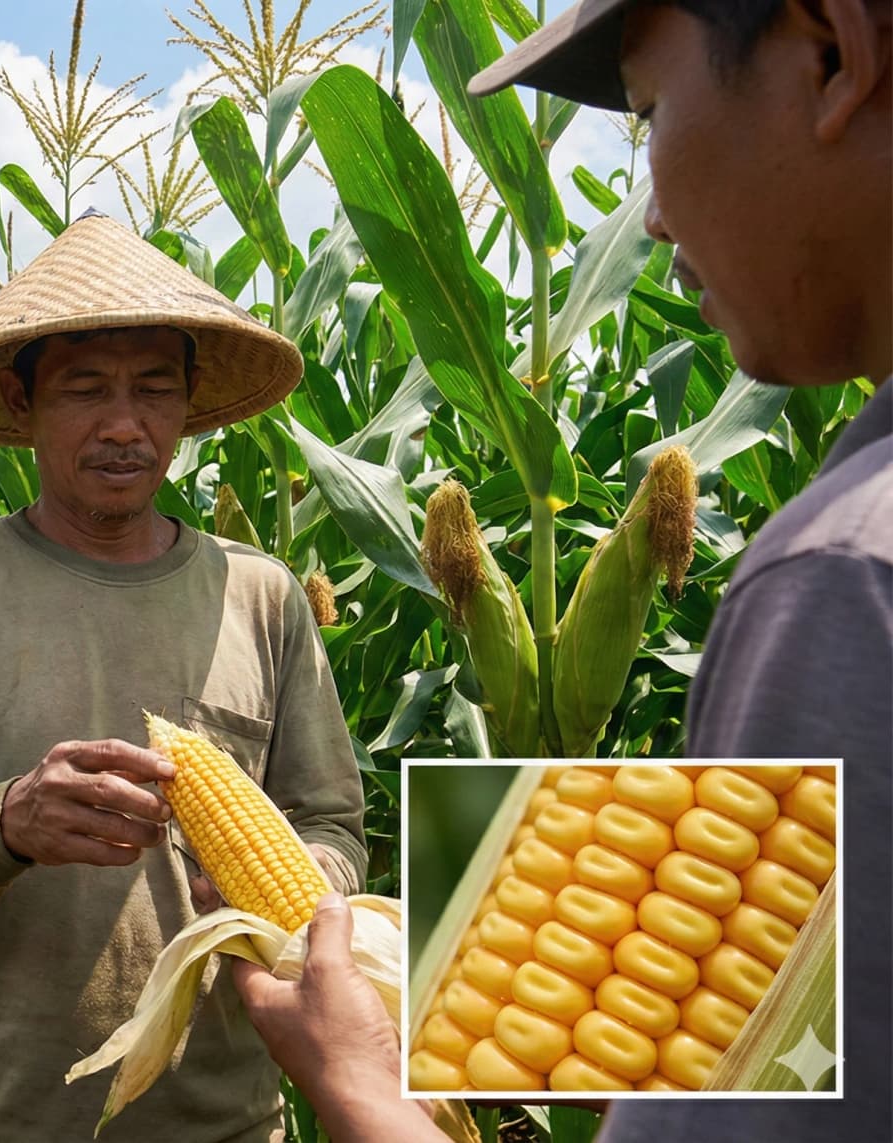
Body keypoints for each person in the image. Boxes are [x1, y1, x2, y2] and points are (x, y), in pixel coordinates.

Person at [236, 0, 891, 1138]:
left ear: (833, 50)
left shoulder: (837, 577)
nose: (646, 209)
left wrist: (360, 1090)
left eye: (645, 113)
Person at [0, 210, 370, 1142]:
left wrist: (300, 879)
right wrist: (4, 823)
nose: (126, 424)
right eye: (86, 390)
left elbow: (333, 829)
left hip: (221, 1122)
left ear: (191, 401)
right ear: (19, 397)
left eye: (156, 389)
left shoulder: (263, 596)